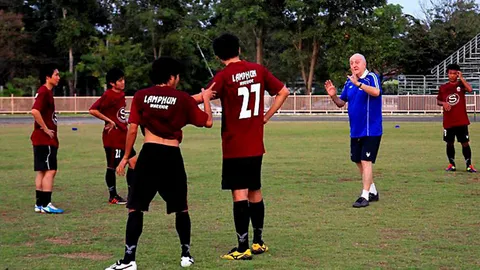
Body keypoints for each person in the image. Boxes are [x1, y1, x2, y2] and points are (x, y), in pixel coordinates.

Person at [105, 56, 214, 270]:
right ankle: (185, 254)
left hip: (149, 154)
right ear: (172, 77)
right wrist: (207, 99)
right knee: (181, 207)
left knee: (135, 208)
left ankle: (129, 260)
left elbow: (133, 128)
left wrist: (127, 156)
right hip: (172, 156)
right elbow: (208, 121)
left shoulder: (141, 96)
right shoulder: (182, 99)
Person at [206, 33, 290, 260]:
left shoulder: (223, 76)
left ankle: (242, 247)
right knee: (255, 190)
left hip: (235, 145)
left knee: (239, 193)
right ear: (239, 49)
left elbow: (204, 96)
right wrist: (266, 116)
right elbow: (284, 91)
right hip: (255, 145)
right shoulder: (258, 70)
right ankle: (258, 242)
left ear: (217, 56)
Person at [324, 53, 382, 208]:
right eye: (351, 63)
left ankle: (364, 196)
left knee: (366, 160)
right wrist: (333, 96)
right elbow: (341, 103)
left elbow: (376, 92)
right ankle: (373, 191)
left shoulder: (371, 78)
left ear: (364, 63)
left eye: (357, 62)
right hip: (355, 130)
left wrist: (359, 84)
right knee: (357, 160)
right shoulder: (349, 82)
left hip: (371, 129)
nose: (354, 65)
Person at [89, 68, 137, 204]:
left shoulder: (120, 95)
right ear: (112, 83)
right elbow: (93, 109)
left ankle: (131, 194)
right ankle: (113, 196)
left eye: (123, 79)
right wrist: (109, 121)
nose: (123, 82)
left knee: (134, 162)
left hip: (124, 136)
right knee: (112, 166)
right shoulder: (108, 95)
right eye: (120, 80)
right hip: (113, 138)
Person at [31, 66, 64, 214]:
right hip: (45, 140)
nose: (58, 77)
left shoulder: (45, 92)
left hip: (40, 139)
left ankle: (39, 204)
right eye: (56, 75)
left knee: (42, 171)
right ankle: (46, 204)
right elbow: (34, 111)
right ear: (47, 77)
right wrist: (45, 128)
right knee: (51, 170)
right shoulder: (44, 92)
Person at [436, 64, 476, 172]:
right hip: (449, 121)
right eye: (450, 73)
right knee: (449, 142)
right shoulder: (443, 87)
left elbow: (470, 89)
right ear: (447, 74)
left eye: (454, 73)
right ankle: (451, 164)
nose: (452, 75)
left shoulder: (461, 85)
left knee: (465, 143)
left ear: (458, 74)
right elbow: (438, 101)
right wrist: (443, 103)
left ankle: (469, 165)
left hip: (461, 120)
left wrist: (462, 78)